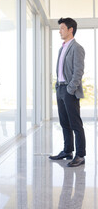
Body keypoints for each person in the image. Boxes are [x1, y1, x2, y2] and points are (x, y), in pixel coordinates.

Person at [49, 17, 86, 167]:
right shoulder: (62, 47)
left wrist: (70, 89)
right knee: (64, 123)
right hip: (60, 88)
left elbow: (78, 71)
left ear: (71, 30)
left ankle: (80, 155)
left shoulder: (77, 48)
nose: (60, 31)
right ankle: (67, 151)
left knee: (75, 123)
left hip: (69, 90)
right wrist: (58, 86)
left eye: (62, 28)